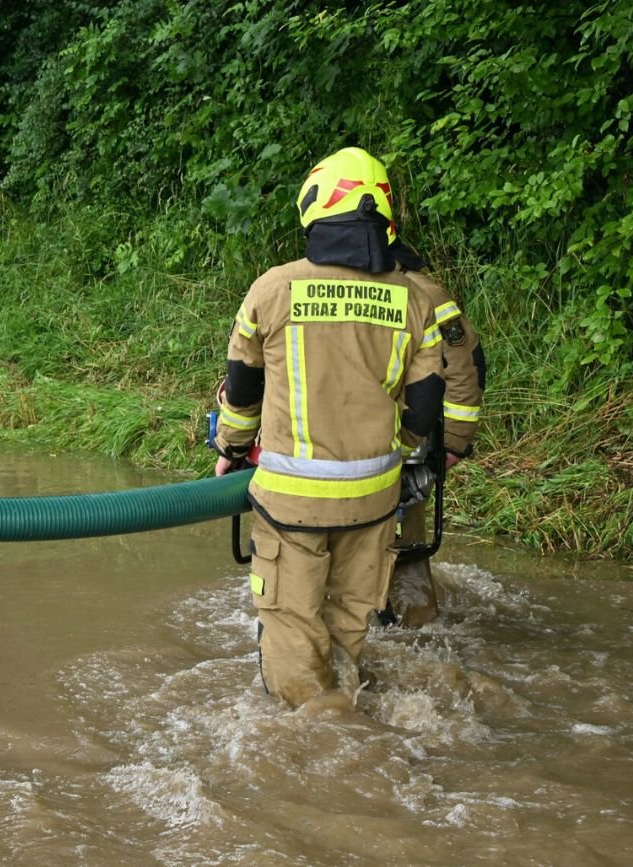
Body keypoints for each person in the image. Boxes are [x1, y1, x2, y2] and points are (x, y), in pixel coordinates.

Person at [211, 146, 444, 709]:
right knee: (346, 629)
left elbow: (242, 393)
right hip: (372, 503)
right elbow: (425, 405)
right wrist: (396, 455)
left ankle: (325, 745)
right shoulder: (413, 299)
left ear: (314, 205)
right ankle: (350, 717)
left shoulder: (273, 289)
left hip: (292, 505)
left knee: (293, 630)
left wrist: (230, 448)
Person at [381, 240, 486, 627]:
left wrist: (454, 441)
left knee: (406, 548)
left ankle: (415, 631)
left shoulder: (424, 294)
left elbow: (464, 366)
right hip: (370, 450)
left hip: (407, 452)